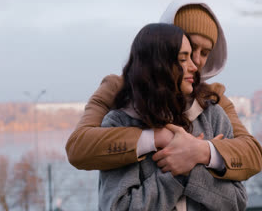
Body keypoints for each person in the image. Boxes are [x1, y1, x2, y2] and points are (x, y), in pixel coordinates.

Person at [66, 0, 262, 181]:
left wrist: (202, 150)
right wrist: (155, 138)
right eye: (190, 48)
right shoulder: (117, 88)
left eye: (205, 53)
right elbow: (78, 147)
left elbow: (253, 154)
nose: (196, 60)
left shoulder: (212, 97)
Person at [98, 23, 247, 210]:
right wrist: (177, 174)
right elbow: (118, 207)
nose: (194, 66)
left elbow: (238, 203)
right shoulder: (120, 123)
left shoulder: (213, 116)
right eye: (183, 59)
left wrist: (195, 159)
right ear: (157, 65)